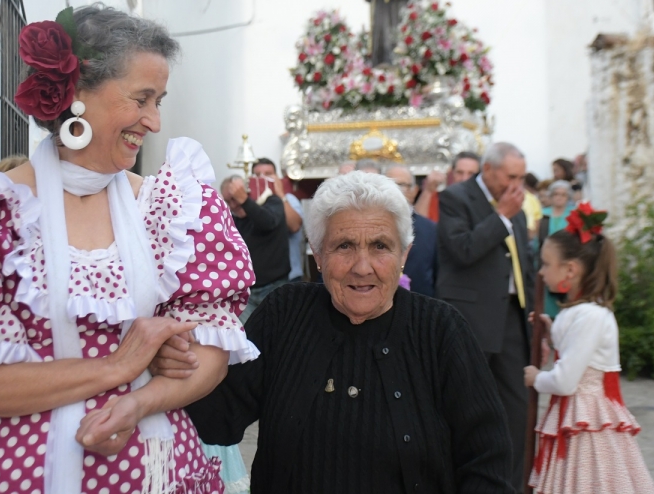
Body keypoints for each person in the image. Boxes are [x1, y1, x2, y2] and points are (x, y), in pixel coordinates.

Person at [0, 6, 259, 494]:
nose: (154, 121)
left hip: (157, 470)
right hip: (25, 475)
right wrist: (120, 365)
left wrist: (139, 402)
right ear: (78, 95)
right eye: (142, 98)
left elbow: (211, 356)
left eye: (159, 101)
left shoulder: (170, 208)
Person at [168, 171, 514, 493]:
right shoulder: (286, 314)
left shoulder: (441, 331)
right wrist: (185, 359)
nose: (362, 267)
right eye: (344, 246)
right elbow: (218, 418)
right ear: (317, 255)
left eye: (380, 246)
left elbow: (487, 461)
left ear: (404, 254)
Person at [525, 204, 654, 493]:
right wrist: (550, 328)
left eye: (547, 264)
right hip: (574, 417)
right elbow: (572, 346)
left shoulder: (591, 316)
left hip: (587, 421)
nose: (542, 271)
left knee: (589, 482)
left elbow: (565, 379)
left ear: (570, 270)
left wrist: (537, 377)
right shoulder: (580, 312)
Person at [436, 142, 534, 493]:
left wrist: (534, 310)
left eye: (521, 177)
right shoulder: (455, 198)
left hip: (511, 317)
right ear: (488, 169)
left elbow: (524, 262)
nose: (516, 184)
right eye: (511, 176)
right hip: (470, 318)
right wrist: (502, 217)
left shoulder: (515, 205)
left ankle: (511, 486)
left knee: (517, 410)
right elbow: (463, 250)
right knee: (466, 407)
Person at [221, 174, 290, 322]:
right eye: (228, 201)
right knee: (248, 338)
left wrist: (245, 201)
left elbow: (268, 222)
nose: (233, 205)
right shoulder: (232, 219)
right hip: (246, 293)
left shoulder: (272, 202)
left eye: (235, 198)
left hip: (275, 287)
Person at [385, 164, 437, 297]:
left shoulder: (431, 230)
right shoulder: (367, 226)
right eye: (389, 184)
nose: (395, 190)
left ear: (414, 190)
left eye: (401, 184)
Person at [253, 158, 305, 282]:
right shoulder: (249, 205)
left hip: (289, 277)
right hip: (257, 280)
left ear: (277, 177)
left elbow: (294, 226)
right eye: (257, 175)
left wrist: (280, 195)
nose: (263, 178)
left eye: (268, 174)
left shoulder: (289, 200)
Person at [537, 180, 573, 318]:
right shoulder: (543, 214)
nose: (559, 197)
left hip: (566, 263)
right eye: (556, 194)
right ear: (551, 196)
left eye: (563, 195)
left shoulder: (573, 214)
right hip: (546, 262)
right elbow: (537, 240)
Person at [414, 151, 480, 222]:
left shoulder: (485, 199)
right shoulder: (439, 198)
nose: (464, 178)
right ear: (452, 173)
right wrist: (428, 191)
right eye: (459, 172)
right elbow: (418, 225)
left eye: (471, 174)